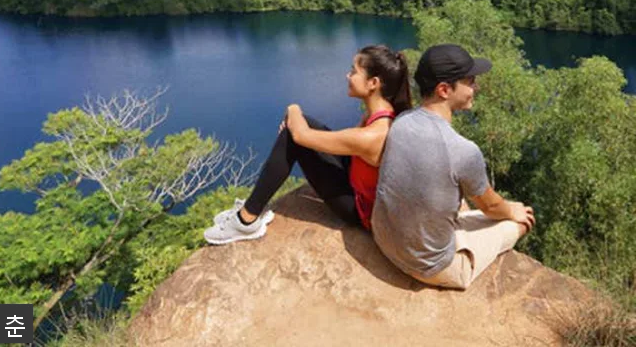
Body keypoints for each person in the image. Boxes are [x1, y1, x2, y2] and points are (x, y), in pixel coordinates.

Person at [204, 44, 411, 245]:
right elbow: (329, 138)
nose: (347, 76)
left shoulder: (373, 135)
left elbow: (302, 136)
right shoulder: (382, 115)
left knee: (293, 136)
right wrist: (298, 122)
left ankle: (246, 219)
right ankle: (250, 212)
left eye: (353, 71)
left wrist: (292, 108)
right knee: (303, 125)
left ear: (373, 83)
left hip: (358, 210)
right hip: (358, 180)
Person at [371, 43, 536, 290]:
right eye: (470, 81)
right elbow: (491, 207)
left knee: (465, 207)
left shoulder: (402, 122)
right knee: (522, 219)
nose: (476, 87)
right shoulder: (463, 150)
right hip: (428, 267)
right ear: (444, 89)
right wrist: (512, 211)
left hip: (382, 240)